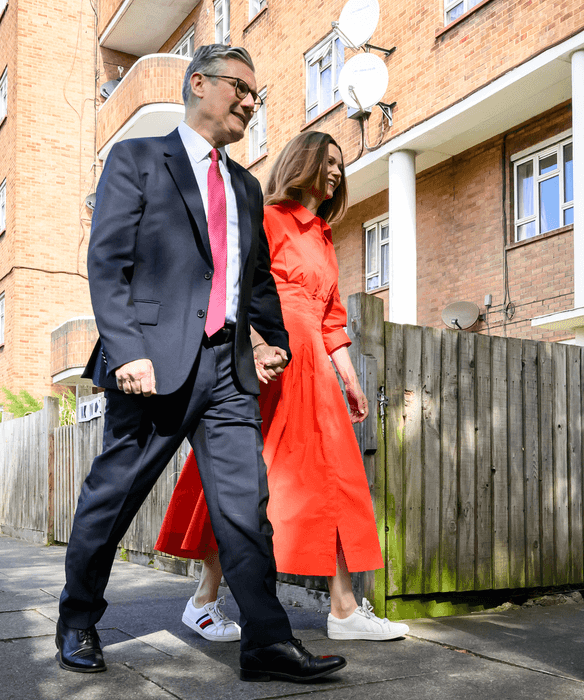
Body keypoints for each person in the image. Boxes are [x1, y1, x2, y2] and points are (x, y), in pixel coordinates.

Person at [57, 44, 347, 684]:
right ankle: (77, 619)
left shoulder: (245, 185)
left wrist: (271, 339)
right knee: (115, 496)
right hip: (153, 368)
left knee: (246, 508)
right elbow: (108, 264)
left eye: (255, 94)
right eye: (240, 87)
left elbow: (255, 279)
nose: (250, 100)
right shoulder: (137, 159)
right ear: (197, 85)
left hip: (227, 371)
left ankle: (267, 643)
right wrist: (128, 350)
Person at [154, 131, 409, 643]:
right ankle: (204, 598)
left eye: (341, 163)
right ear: (302, 162)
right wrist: (253, 348)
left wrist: (352, 381)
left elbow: (332, 319)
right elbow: (233, 287)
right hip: (268, 364)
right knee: (241, 479)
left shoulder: (323, 236)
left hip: (315, 367)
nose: (337, 170)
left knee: (333, 478)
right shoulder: (267, 218)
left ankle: (344, 611)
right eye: (328, 160)